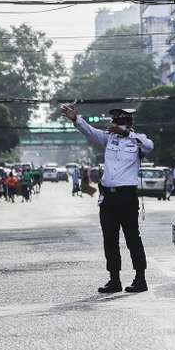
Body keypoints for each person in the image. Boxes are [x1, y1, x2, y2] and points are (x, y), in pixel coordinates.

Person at [62, 104, 153, 294]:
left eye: (118, 122)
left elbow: (149, 146)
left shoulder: (137, 141)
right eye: (114, 122)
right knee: (109, 239)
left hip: (127, 196)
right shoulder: (108, 139)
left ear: (126, 123)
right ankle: (114, 280)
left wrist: (126, 132)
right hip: (108, 198)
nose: (113, 125)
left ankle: (140, 278)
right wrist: (75, 118)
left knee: (132, 238)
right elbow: (89, 131)